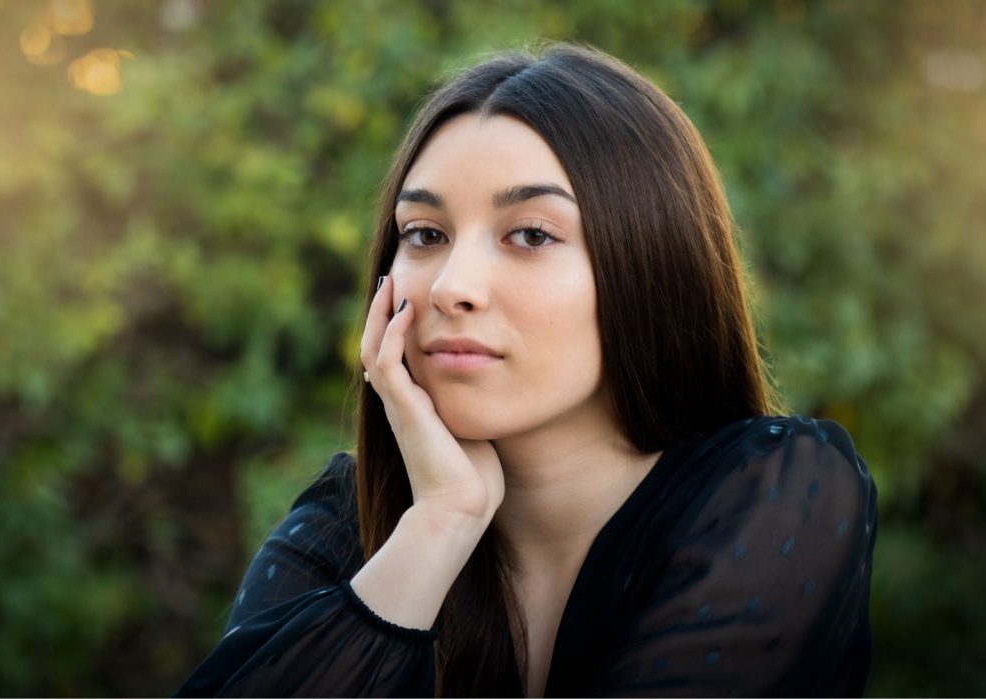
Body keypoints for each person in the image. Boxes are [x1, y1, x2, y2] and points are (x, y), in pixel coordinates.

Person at [175, 42, 877, 698]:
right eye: (425, 234)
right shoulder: (341, 531)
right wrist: (440, 525)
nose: (452, 285)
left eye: (531, 234)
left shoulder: (782, 491)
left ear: (653, 266)